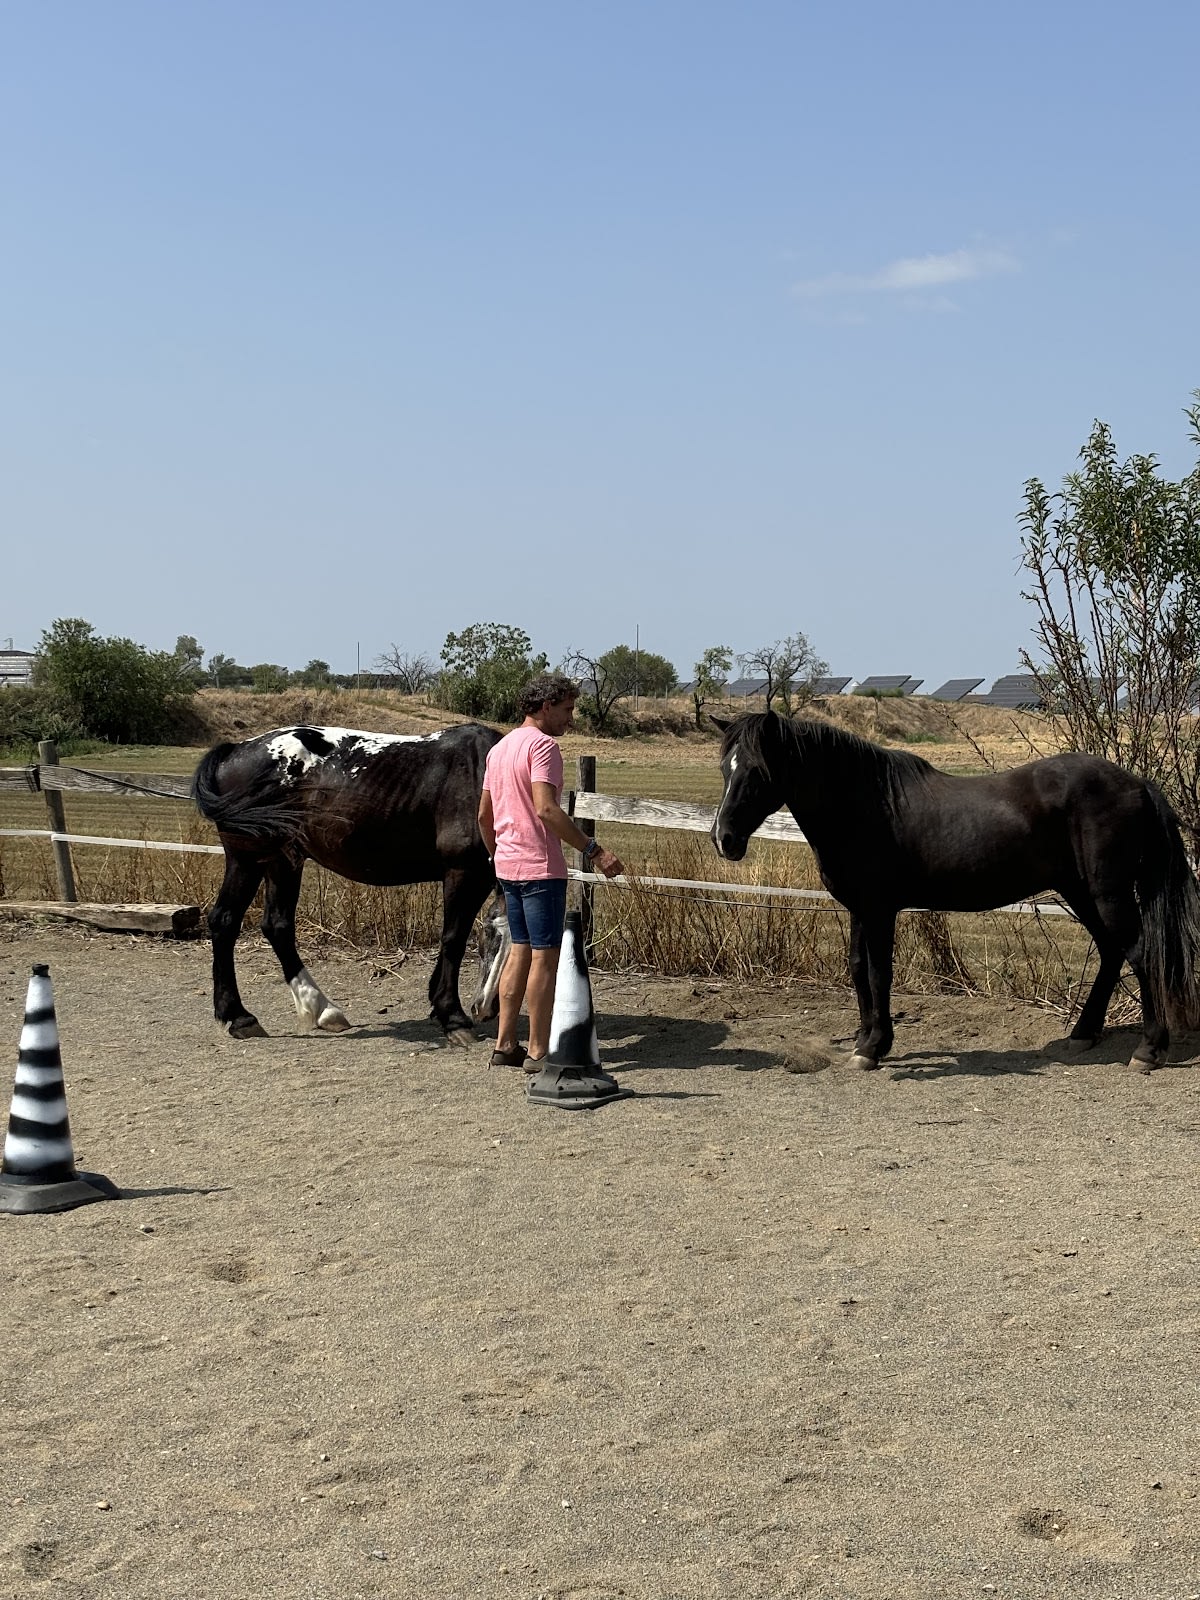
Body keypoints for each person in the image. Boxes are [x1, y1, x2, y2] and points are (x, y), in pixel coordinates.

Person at [477, 673, 623, 1070]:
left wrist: (498, 856)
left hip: (508, 867)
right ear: (546, 706)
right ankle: (539, 1050)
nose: (570, 719)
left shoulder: (500, 748)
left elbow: (484, 815)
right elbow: (546, 808)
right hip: (540, 869)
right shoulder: (543, 747)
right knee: (544, 956)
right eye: (567, 709)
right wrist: (594, 851)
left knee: (519, 950)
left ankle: (505, 1043)